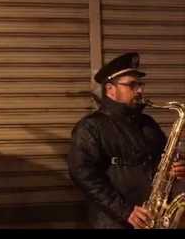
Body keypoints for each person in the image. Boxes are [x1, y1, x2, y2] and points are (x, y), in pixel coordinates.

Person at [68, 52, 185, 229]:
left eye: (140, 84)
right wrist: (125, 211)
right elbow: (82, 175)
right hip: (115, 221)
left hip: (153, 218)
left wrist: (177, 166)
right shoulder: (90, 127)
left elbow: (164, 160)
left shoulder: (147, 123)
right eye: (132, 85)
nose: (140, 90)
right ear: (110, 90)